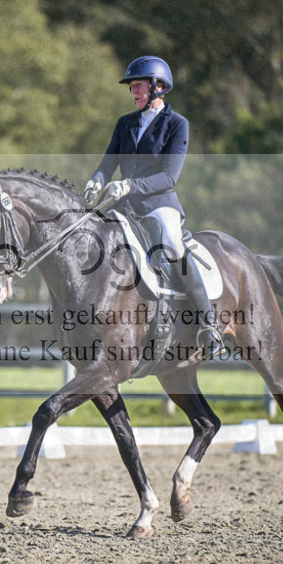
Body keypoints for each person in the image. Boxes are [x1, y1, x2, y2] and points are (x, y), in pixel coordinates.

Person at [84, 55, 224, 358]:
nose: (133, 92)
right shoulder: (125, 124)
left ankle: (208, 324)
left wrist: (131, 185)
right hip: (123, 204)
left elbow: (169, 176)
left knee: (172, 245)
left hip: (159, 204)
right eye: (131, 87)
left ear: (158, 87)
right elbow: (107, 163)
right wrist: (96, 181)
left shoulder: (177, 125)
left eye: (138, 86)